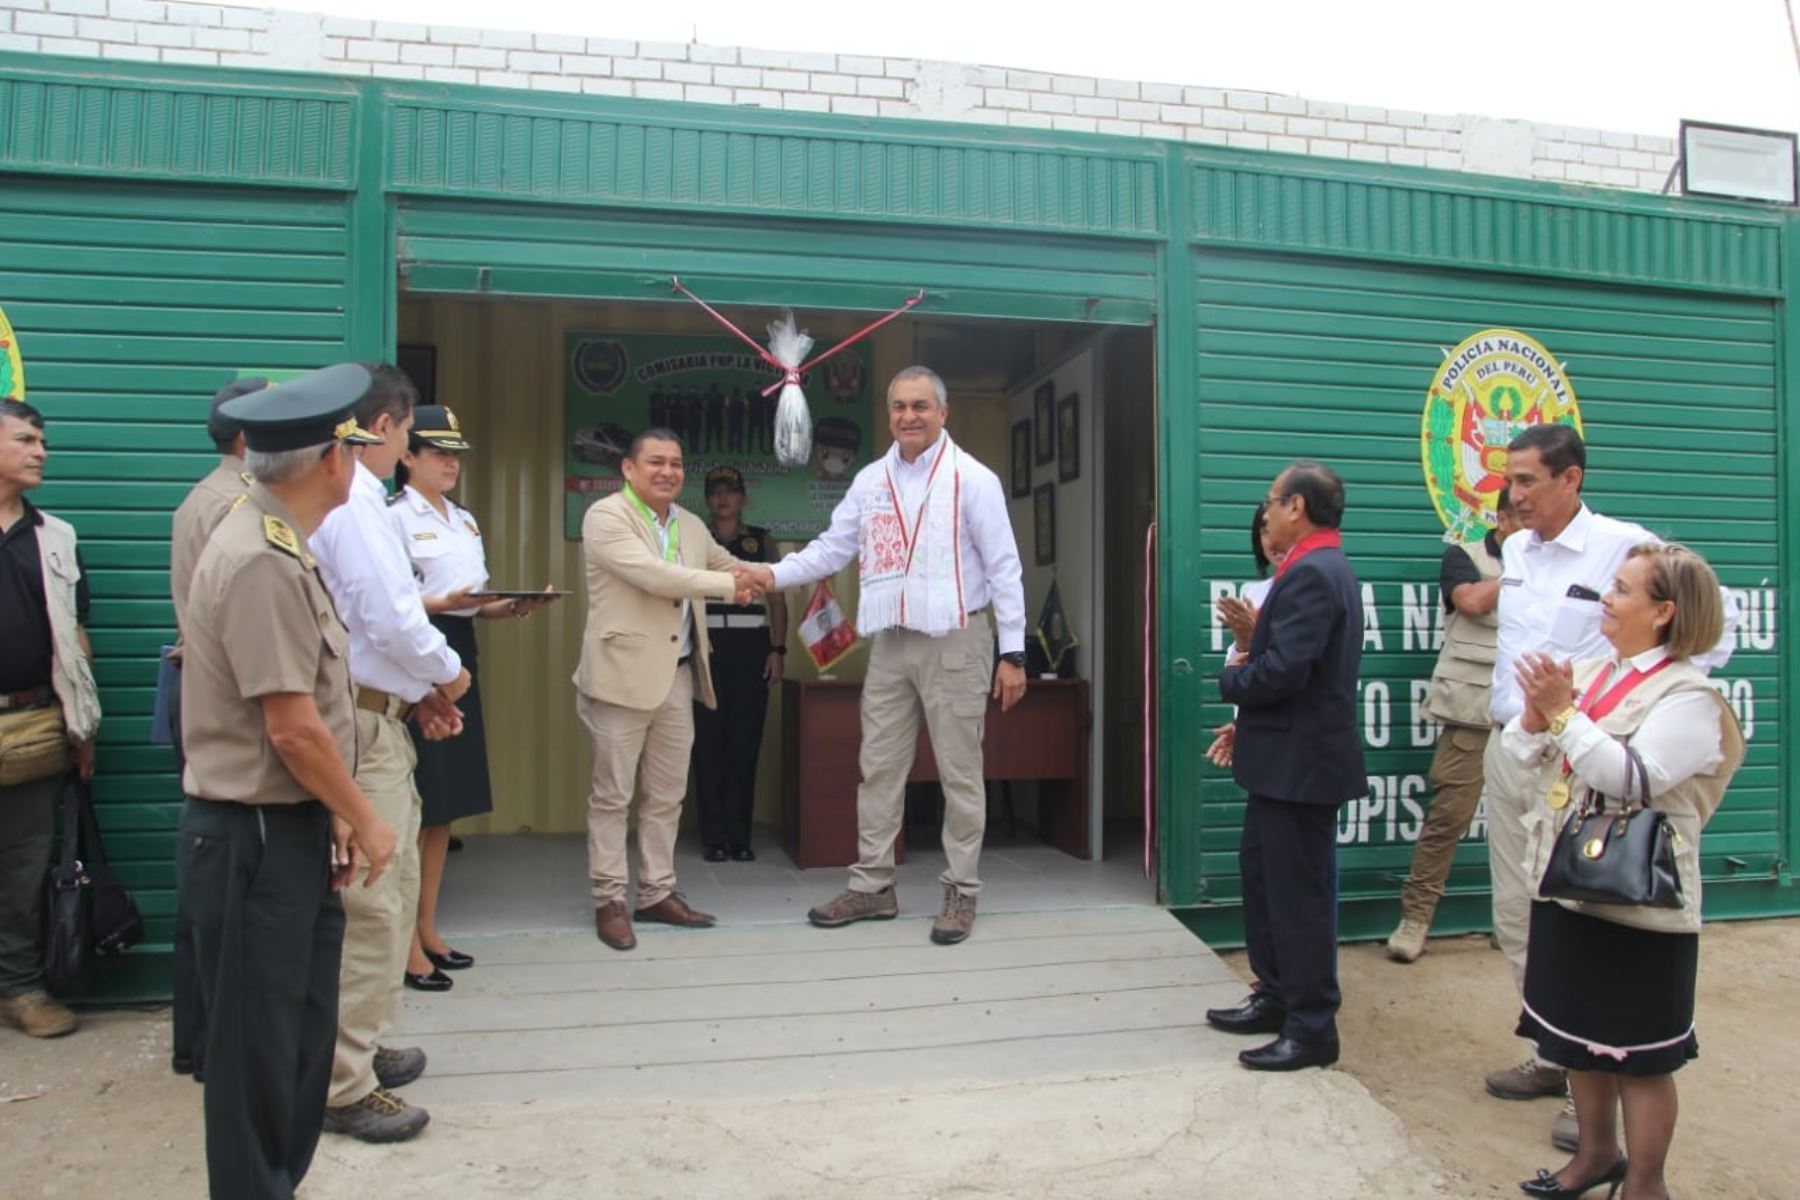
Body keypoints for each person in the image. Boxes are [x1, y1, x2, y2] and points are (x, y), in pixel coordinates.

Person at [1479, 425, 1736, 1146]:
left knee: (1597, 917)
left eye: (1528, 480)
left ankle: (1589, 1078)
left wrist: (1641, 704)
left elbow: (1710, 631)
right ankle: (1552, 1053)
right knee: (1519, 913)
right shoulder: (1517, 550)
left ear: (1571, 479)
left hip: (1597, 773)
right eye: (1510, 479)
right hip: (1522, 747)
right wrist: (1533, 725)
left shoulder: (1626, 547)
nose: (1515, 494)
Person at [177, 364, 398, 1198]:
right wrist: (365, 817)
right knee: (256, 1060)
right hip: (253, 839)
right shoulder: (261, 557)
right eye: (352, 445)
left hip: (288, 827)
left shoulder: (281, 543)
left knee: (294, 1045)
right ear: (330, 461)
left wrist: (332, 814)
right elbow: (292, 728)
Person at [745, 365, 1027, 946]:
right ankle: (873, 885)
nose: (908, 416)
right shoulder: (872, 480)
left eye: (921, 406)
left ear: (944, 413)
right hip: (892, 640)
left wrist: (1014, 653)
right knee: (878, 767)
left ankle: (961, 891)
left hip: (957, 635)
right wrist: (771, 574)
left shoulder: (973, 479)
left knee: (959, 773)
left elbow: (1005, 569)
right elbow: (832, 548)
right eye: (899, 406)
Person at [1507, 543, 1744, 1200]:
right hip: (1568, 886)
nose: (1606, 597)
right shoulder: (1591, 670)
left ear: (1664, 611)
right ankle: (1595, 1156)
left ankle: (1645, 1184)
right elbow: (1520, 753)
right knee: (1579, 1040)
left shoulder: (1689, 697)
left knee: (1640, 1059)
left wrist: (1562, 715)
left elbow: (1631, 779)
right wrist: (1533, 720)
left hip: (1642, 904)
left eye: (1623, 589)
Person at [310, 364, 471, 1143]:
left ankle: (361, 1047)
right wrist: (449, 674)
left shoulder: (353, 504)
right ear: (385, 430)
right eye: (409, 435)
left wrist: (420, 695)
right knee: (374, 904)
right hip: (363, 725)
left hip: (385, 710)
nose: (408, 448)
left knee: (389, 888)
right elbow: (393, 616)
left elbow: (378, 630)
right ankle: (344, 1082)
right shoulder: (359, 508)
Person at [573, 428, 761, 951]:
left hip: (677, 676)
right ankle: (609, 898)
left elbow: (729, 563)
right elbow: (656, 576)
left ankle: (656, 892)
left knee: (668, 794)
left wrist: (781, 572)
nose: (668, 472)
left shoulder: (690, 523)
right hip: (620, 676)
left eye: (677, 463)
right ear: (628, 469)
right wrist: (731, 586)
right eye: (656, 462)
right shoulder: (607, 517)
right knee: (612, 795)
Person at [1205, 461, 1364, 1072]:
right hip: (1279, 761)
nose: (1265, 513)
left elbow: (1284, 672)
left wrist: (1232, 679)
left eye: (1271, 501)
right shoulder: (1311, 567)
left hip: (1302, 768)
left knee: (1299, 897)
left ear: (1296, 507)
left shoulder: (1314, 574)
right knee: (1265, 882)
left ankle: (1311, 1025)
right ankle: (1274, 994)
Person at [389, 406, 555, 991]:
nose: (451, 462)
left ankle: (428, 929)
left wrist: (511, 606)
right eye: (438, 452)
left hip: (458, 652)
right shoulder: (391, 518)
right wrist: (441, 604)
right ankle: (403, 946)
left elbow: (474, 600)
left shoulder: (464, 520)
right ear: (407, 457)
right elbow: (393, 606)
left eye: (456, 453)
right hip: (413, 659)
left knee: (444, 807)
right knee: (414, 806)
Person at [164, 375, 262, 1078]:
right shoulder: (235, 504)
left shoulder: (212, 494)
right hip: (233, 711)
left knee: (209, 892)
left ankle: (198, 1040)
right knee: (231, 893)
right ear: (249, 436)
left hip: (209, 698)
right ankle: (219, 1049)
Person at [1386, 488, 1522, 963]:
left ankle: (1517, 922)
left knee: (1532, 824)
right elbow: (1470, 602)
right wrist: (1524, 570)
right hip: (1474, 711)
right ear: (1501, 518)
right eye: (1519, 517)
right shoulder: (1463, 557)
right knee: (1448, 817)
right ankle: (1416, 918)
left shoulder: (1561, 565)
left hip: (1535, 714)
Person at [0, 398, 100, 1040]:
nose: (39, 452)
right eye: (25, 440)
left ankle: (19, 987)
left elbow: (76, 633)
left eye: (42, 442)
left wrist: (84, 723)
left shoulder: (55, 537)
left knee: (23, 865)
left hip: (32, 726)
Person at [691, 466, 789, 863]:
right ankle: (714, 837)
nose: (723, 498)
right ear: (708, 499)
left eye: (731, 491)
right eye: (716, 491)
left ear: (743, 499)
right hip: (707, 649)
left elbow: (778, 600)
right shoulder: (698, 541)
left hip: (751, 649)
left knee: (744, 744)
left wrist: (777, 651)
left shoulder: (760, 541)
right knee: (708, 745)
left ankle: (739, 835)